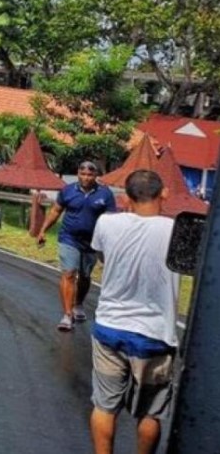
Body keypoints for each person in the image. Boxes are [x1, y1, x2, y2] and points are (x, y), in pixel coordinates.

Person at [89, 169, 179, 454]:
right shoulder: (176, 230)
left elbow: (103, 257)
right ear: (163, 193)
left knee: (104, 405)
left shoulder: (106, 223)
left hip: (109, 328)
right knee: (150, 412)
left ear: (125, 197)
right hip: (155, 335)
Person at [36, 160, 116, 331]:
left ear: (96, 176)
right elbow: (56, 211)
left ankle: (78, 303)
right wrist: (43, 230)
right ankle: (67, 315)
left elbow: (111, 220)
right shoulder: (68, 191)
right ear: (78, 174)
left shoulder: (105, 194)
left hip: (92, 242)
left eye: (90, 175)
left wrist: (109, 245)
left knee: (85, 276)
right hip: (69, 238)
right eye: (83, 174)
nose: (86, 178)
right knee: (69, 273)